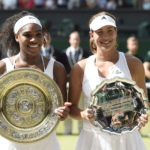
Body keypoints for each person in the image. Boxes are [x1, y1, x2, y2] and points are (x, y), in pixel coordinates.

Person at [69, 11, 148, 150]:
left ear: (116, 32)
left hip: (127, 141)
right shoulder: (80, 68)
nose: (106, 36)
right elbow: (72, 109)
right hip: (91, 140)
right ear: (91, 35)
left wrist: (141, 116)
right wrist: (83, 114)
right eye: (100, 31)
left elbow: (143, 103)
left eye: (109, 31)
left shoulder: (134, 64)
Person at [0, 10, 71, 150]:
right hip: (10, 143)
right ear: (16, 37)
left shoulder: (57, 68)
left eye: (38, 34)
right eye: (27, 35)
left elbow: (61, 110)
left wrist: (64, 113)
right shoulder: (3, 67)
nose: (34, 40)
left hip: (46, 143)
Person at [60, 31, 90, 135]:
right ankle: (67, 130)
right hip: (66, 85)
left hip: (80, 85)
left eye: (77, 39)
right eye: (73, 39)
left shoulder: (86, 54)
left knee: (81, 106)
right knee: (66, 106)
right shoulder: (62, 54)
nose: (75, 41)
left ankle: (81, 129)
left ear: (80, 40)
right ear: (69, 40)